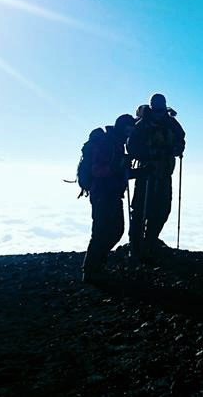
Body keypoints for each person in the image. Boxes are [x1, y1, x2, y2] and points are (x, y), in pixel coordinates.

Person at [127, 93, 185, 262]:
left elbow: (181, 139)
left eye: (161, 109)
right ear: (152, 108)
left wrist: (177, 148)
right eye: (157, 110)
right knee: (140, 210)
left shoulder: (171, 123)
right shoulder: (142, 125)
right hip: (146, 174)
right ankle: (136, 247)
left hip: (164, 173)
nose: (159, 113)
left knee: (162, 210)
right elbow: (132, 147)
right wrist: (149, 155)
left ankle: (150, 241)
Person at [81, 114, 135, 283]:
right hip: (103, 194)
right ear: (122, 128)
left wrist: (132, 171)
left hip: (111, 194)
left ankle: (96, 267)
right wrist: (119, 167)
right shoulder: (108, 144)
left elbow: (118, 171)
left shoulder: (117, 143)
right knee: (102, 232)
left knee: (114, 231)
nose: (129, 133)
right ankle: (91, 271)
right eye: (128, 130)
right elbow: (98, 170)